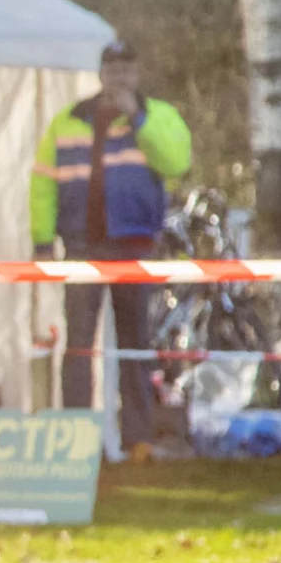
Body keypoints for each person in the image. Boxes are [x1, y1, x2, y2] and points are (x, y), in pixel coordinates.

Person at [33, 41, 192, 439]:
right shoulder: (69, 120)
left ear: (137, 75)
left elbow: (175, 162)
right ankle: (76, 438)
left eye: (127, 70)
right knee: (79, 345)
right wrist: (41, 239)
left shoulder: (158, 115)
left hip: (133, 244)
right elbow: (42, 183)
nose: (119, 78)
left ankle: (137, 437)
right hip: (82, 245)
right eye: (112, 70)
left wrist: (137, 119)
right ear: (101, 74)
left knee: (134, 344)